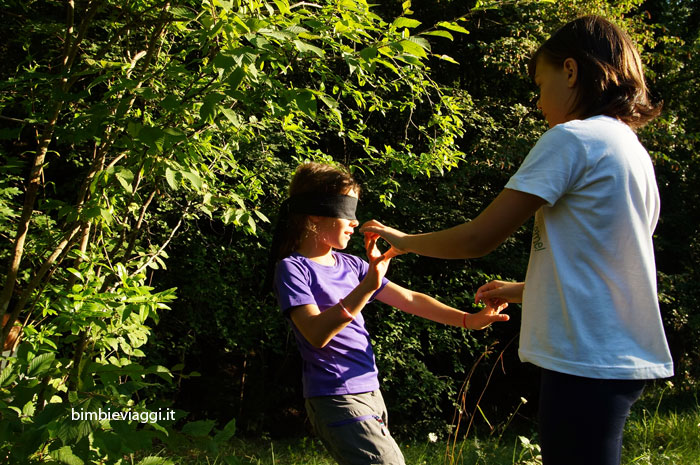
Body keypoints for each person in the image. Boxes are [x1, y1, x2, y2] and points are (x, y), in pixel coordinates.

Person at [360, 15, 673, 465]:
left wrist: (403, 239)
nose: (538, 102)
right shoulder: (632, 152)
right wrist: (522, 291)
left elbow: (478, 238)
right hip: (614, 353)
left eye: (540, 83)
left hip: (585, 356)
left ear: (570, 71)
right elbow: (609, 269)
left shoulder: (572, 139)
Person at [267, 162, 510, 465]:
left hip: (370, 389)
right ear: (315, 213)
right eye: (347, 210)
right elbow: (315, 334)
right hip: (335, 395)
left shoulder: (353, 266)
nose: (355, 221)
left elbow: (410, 298)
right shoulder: (293, 269)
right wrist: (367, 287)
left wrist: (469, 320)